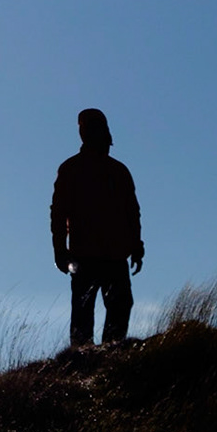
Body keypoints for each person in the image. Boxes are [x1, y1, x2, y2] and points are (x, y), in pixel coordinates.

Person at [50, 108, 144, 347]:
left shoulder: (118, 171)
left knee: (119, 305)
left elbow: (132, 211)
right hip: (85, 255)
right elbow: (59, 214)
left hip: (113, 256)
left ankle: (108, 357)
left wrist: (136, 245)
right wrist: (60, 251)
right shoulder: (71, 169)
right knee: (83, 312)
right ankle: (85, 361)